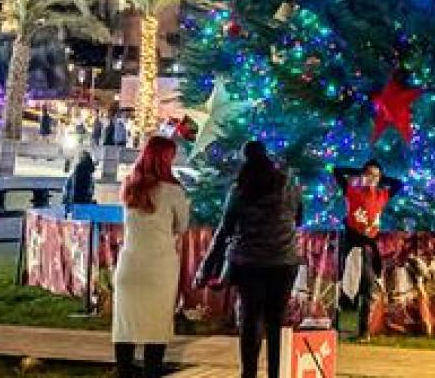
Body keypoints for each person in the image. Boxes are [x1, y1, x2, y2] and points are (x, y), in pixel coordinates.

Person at [199, 141, 302, 378]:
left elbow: (225, 229)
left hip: (249, 262)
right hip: (284, 260)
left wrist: (207, 268)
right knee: (276, 320)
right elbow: (299, 218)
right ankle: (276, 372)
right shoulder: (290, 185)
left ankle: (249, 373)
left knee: (250, 318)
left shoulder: (240, 188)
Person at [112, 136, 191, 378]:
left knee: (125, 326)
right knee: (156, 326)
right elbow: (182, 226)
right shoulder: (173, 191)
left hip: (130, 263)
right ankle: (151, 370)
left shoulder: (130, 185)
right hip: (159, 265)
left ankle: (124, 370)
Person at [332, 159, 404, 341]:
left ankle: (364, 331)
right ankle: (335, 328)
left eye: (376, 175)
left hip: (369, 246)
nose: (372, 178)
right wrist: (360, 173)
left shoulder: (382, 195)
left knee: (368, 286)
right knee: (345, 284)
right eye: (369, 174)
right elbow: (336, 171)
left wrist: (378, 178)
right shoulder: (353, 192)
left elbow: (398, 184)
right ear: (362, 176)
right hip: (352, 244)